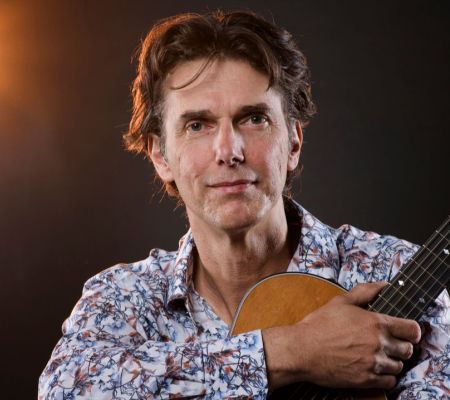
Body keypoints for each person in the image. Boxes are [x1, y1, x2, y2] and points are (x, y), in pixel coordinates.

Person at [38, 10, 450, 400]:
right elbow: (65, 390)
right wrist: (294, 350)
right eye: (197, 125)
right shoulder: (123, 297)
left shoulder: (397, 272)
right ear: (161, 156)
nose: (229, 151)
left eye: (254, 119)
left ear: (293, 142)